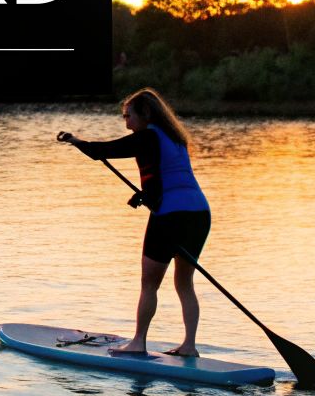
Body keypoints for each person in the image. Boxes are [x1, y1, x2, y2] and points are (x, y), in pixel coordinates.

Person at [57, 88, 210, 357]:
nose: (126, 123)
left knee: (149, 284)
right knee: (184, 282)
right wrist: (145, 196)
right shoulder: (176, 138)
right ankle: (189, 346)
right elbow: (169, 177)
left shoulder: (147, 136)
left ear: (145, 114)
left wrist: (75, 140)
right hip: (198, 214)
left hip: (170, 215)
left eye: (128, 116)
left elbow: (102, 151)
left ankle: (138, 342)